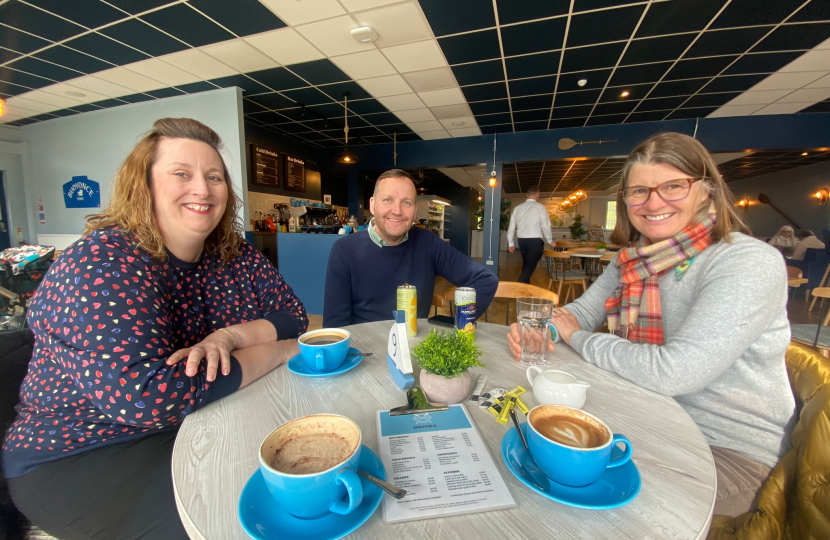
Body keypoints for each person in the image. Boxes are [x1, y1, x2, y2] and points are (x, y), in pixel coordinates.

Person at [2, 118, 308, 540]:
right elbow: (148, 397)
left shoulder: (231, 253)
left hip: (192, 423)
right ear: (142, 186)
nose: (202, 189)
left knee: (297, 480)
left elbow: (292, 314)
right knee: (243, 520)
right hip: (82, 452)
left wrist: (230, 337)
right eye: (181, 173)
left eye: (214, 177)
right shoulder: (101, 262)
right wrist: (280, 350)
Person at [506, 132, 795, 519]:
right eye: (639, 191)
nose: (653, 202)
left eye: (673, 186)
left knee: (590, 508)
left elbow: (675, 373)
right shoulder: (631, 260)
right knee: (526, 454)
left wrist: (576, 337)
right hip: (646, 415)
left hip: (728, 450)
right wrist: (546, 330)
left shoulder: (746, 262)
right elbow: (579, 312)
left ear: (707, 190)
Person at [324, 169, 498, 327]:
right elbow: (335, 327)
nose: (397, 210)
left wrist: (458, 327)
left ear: (415, 211)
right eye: (388, 200)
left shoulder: (428, 243)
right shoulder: (344, 250)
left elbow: (485, 280)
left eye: (406, 203)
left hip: (415, 350)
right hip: (364, 352)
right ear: (372, 205)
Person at [506, 185, 555, 283]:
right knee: (529, 268)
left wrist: (511, 243)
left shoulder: (517, 208)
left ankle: (525, 291)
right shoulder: (540, 207)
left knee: (527, 265)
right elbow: (546, 226)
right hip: (535, 242)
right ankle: (519, 288)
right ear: (538, 194)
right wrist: (550, 240)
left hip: (522, 241)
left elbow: (511, 228)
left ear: (526, 195)